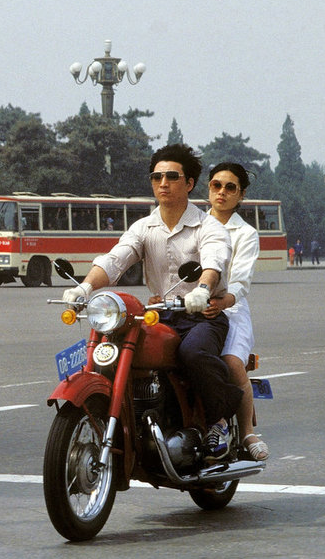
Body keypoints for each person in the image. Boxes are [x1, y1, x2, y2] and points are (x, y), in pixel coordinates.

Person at [63, 144, 243, 460]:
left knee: (193, 352)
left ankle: (219, 423)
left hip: (201, 315)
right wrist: (85, 287)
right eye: (157, 177)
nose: (163, 183)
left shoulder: (208, 226)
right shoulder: (144, 227)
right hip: (159, 315)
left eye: (172, 176)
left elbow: (214, 260)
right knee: (114, 351)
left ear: (189, 183)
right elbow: (117, 259)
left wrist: (202, 289)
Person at [202, 162, 269, 461]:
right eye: (216, 185)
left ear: (240, 195)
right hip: (192, 306)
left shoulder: (246, 233)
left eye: (230, 188)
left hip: (231, 308)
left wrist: (222, 302)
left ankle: (246, 432)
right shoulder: (194, 225)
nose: (222, 192)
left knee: (230, 361)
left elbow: (240, 281)